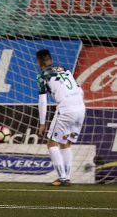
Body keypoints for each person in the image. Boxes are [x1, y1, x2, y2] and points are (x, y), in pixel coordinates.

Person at [36, 49, 85, 186]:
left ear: (39, 62)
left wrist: (42, 123)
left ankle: (62, 178)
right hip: (80, 107)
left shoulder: (42, 76)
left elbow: (43, 101)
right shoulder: (65, 69)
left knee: (51, 143)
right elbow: (79, 89)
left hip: (66, 109)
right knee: (65, 142)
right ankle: (67, 177)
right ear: (50, 60)